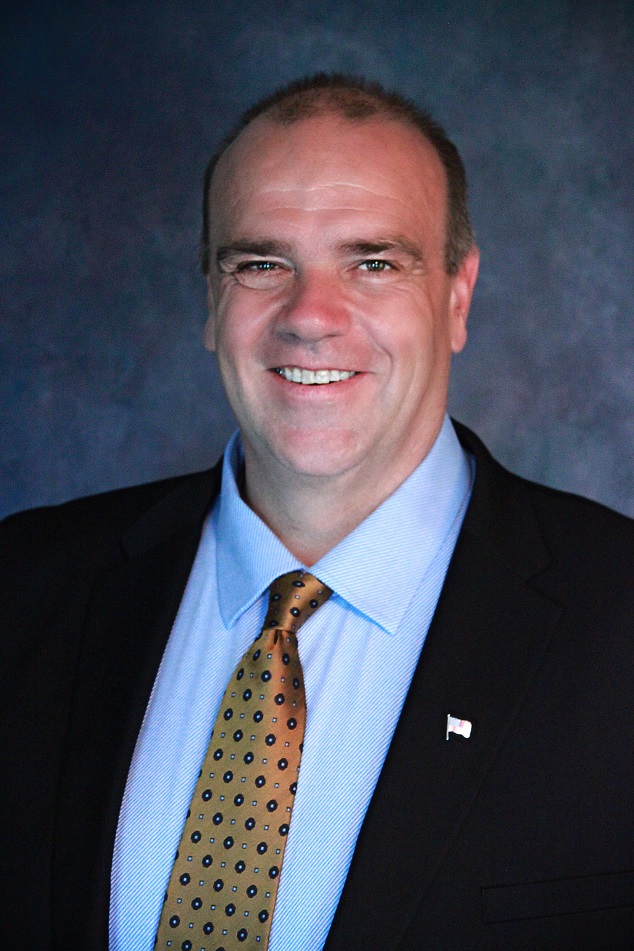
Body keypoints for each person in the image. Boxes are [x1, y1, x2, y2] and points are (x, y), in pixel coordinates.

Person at [1, 74, 633, 951]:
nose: (310, 317)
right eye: (261, 263)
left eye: (374, 263)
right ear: (211, 299)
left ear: (458, 296)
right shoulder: (25, 587)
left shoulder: (617, 617)